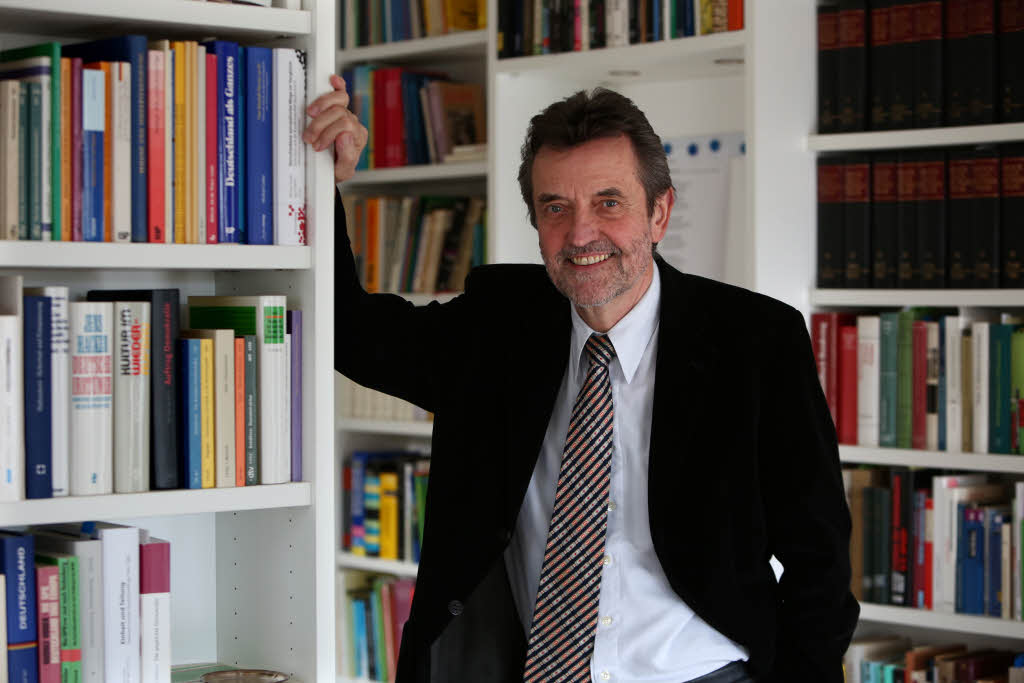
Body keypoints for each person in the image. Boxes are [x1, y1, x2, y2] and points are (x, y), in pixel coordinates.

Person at [305, 75, 860, 683]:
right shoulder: (497, 325)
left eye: (609, 202)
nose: (580, 234)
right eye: (556, 208)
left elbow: (819, 558)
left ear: (659, 212)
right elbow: (351, 333)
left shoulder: (756, 341)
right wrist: (319, 176)